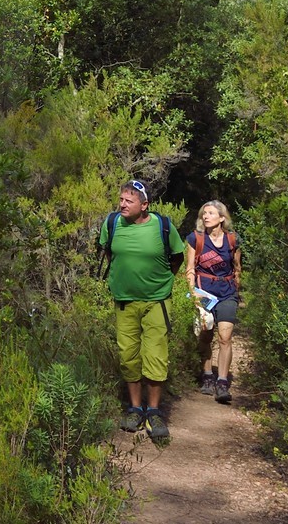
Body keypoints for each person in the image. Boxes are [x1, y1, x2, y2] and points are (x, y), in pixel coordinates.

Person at [101, 179, 186, 439]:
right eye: (121, 199)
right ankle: (135, 409)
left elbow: (177, 257)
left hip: (156, 302)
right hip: (124, 301)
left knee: (156, 354)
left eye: (129, 200)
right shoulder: (112, 223)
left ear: (144, 205)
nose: (123, 204)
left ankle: (154, 412)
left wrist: (160, 283)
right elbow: (109, 252)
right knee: (128, 355)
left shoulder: (162, 226)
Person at [186, 200, 243, 404]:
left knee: (225, 337)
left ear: (222, 218)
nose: (206, 216)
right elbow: (190, 268)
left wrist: (236, 290)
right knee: (205, 335)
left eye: (210, 213)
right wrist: (193, 293)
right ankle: (207, 375)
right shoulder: (196, 239)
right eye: (204, 213)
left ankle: (222, 382)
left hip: (227, 293)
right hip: (204, 294)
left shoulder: (233, 239)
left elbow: (237, 267)